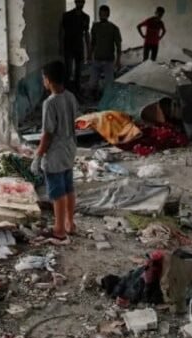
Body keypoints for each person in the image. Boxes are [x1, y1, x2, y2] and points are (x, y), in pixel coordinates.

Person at [30, 61, 78, 244]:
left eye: (43, 78)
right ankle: (70, 223)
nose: (43, 81)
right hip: (69, 148)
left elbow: (47, 134)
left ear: (48, 80)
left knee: (57, 192)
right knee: (69, 187)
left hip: (56, 153)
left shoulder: (50, 103)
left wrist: (38, 156)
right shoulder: (70, 97)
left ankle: (58, 230)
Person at [88, 5, 122, 97]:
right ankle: (95, 96)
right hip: (97, 59)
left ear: (108, 15)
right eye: (101, 14)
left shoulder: (114, 28)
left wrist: (118, 61)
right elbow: (92, 42)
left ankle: (106, 99)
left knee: (109, 85)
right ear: (99, 14)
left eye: (105, 14)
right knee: (91, 85)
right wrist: (89, 56)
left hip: (109, 61)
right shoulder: (95, 27)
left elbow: (118, 45)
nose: (102, 16)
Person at [60, 0, 90, 94]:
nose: (80, 4)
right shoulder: (67, 15)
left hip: (79, 47)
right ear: (75, 2)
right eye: (78, 2)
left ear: (84, 3)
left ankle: (77, 91)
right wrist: (60, 46)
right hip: (68, 46)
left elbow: (86, 34)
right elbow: (61, 32)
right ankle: (66, 91)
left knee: (78, 71)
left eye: (82, 2)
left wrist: (89, 49)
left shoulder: (86, 17)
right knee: (68, 71)